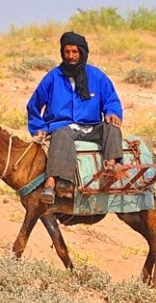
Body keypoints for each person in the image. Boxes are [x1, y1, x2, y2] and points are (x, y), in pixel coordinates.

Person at [27, 31, 124, 205]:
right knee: (61, 135)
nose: (71, 56)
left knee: (112, 128)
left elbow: (111, 100)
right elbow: (34, 105)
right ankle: (52, 184)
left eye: (75, 52)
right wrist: (38, 127)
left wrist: (112, 112)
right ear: (62, 53)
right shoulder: (53, 78)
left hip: (92, 126)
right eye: (67, 52)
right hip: (63, 126)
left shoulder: (97, 76)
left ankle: (111, 167)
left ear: (82, 53)